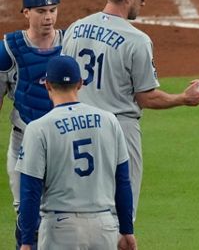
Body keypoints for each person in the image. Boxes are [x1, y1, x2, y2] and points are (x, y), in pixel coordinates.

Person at [61, 0, 199, 220]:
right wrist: (183, 99)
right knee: (120, 217)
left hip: (74, 128)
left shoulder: (75, 28)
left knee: (76, 210)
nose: (143, 2)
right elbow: (146, 97)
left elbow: (62, 83)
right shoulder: (136, 39)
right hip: (118, 131)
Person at [16, 56, 137, 250]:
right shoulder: (110, 121)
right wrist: (127, 230)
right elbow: (123, 180)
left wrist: (26, 241)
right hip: (104, 227)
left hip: (61, 228)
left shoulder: (38, 128)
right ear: (80, 84)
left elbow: (30, 190)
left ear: (47, 85)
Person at [0, 0, 63, 249]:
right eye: (40, 11)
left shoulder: (71, 42)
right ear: (26, 12)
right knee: (28, 218)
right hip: (24, 141)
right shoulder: (9, 49)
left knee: (62, 217)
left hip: (62, 143)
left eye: (52, 10)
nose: (48, 17)